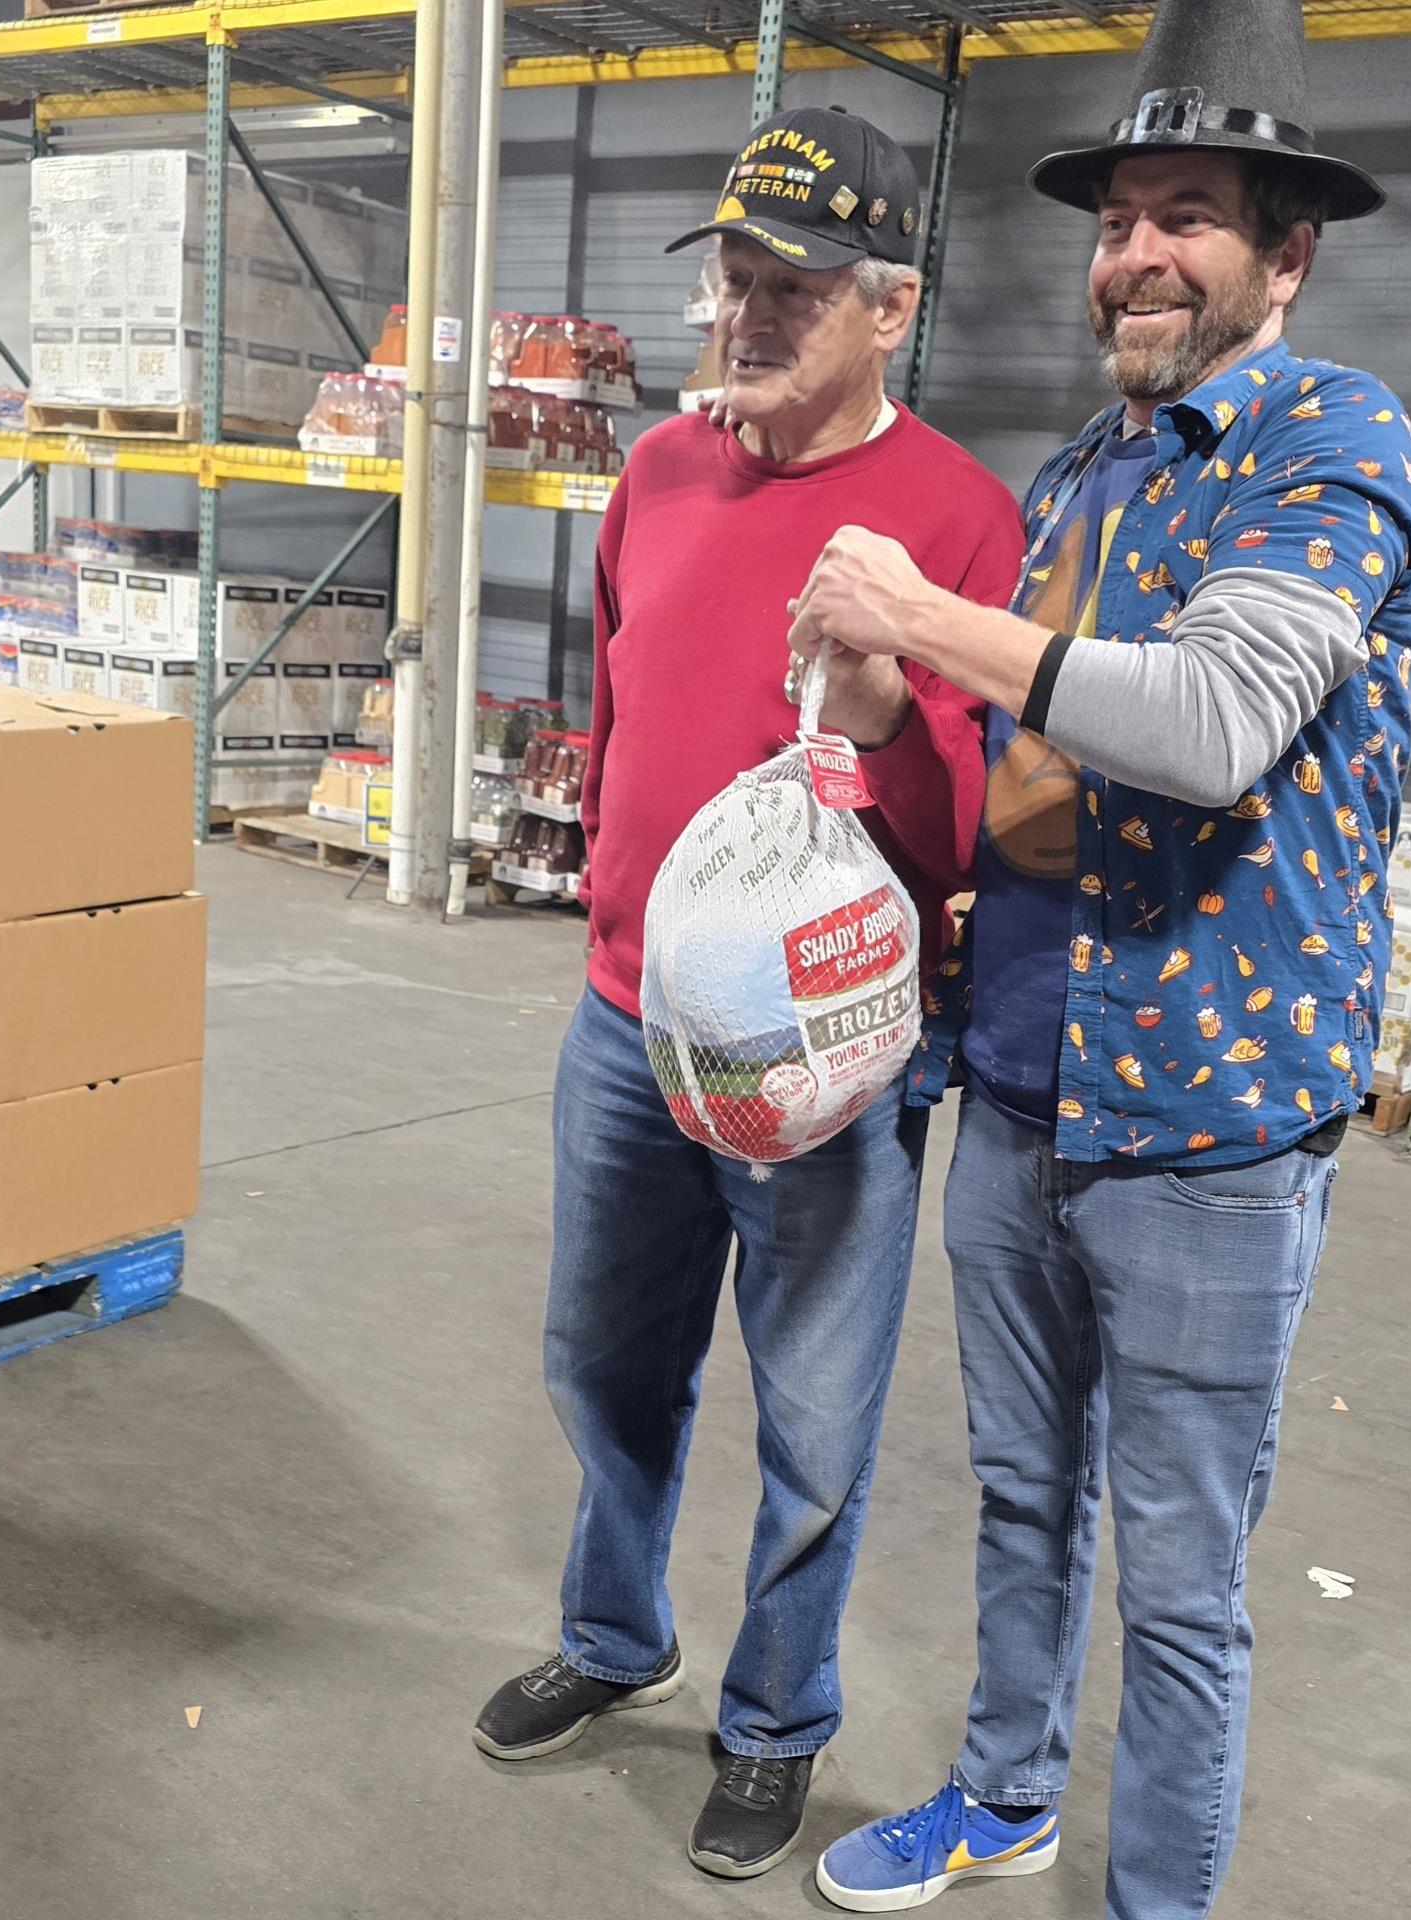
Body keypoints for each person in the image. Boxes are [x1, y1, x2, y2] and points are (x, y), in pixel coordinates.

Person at [800, 3, 1411, 1914]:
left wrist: (928, 615)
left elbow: (1215, 721)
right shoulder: (1084, 469)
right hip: (1016, 1082)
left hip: (1204, 1126)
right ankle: (1004, 1798)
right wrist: (880, 691)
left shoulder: (1331, 438)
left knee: (1178, 1581)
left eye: (1187, 217)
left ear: (1284, 254)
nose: (1135, 254)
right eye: (1114, 220)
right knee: (1018, 1494)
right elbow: (1033, 755)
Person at [472, 106, 1026, 1884]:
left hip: (821, 1058)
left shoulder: (958, 519)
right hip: (627, 1017)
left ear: (891, 308)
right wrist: (606, 904)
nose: (751, 314)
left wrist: (880, 719)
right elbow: (619, 701)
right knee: (603, 1360)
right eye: (733, 279)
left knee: (814, 1412)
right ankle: (613, 1633)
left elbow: (969, 825)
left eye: (797, 286)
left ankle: (776, 1721)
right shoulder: (658, 472)